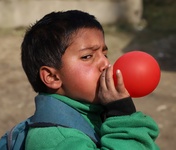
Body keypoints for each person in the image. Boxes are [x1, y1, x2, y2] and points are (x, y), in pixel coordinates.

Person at [21, 10, 159, 149]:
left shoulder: (95, 114)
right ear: (52, 77)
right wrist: (123, 117)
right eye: (87, 56)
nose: (105, 63)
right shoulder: (56, 140)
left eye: (104, 54)